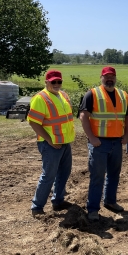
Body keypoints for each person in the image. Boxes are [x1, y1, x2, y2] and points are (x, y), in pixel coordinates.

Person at [79, 66, 128, 221]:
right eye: (106, 76)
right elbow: (83, 116)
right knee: (97, 177)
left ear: (115, 78)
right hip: (99, 143)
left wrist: (126, 135)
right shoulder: (92, 94)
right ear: (101, 78)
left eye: (112, 77)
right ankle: (93, 209)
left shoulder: (123, 95)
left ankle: (110, 201)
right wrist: (92, 138)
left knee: (114, 175)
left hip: (117, 142)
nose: (110, 79)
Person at [27, 70, 75, 216]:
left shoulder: (63, 95)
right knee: (49, 175)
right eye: (53, 82)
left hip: (64, 142)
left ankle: (58, 201)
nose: (56, 84)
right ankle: (37, 207)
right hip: (50, 144)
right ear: (46, 82)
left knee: (64, 173)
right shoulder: (40, 98)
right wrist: (49, 140)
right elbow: (33, 122)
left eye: (58, 81)